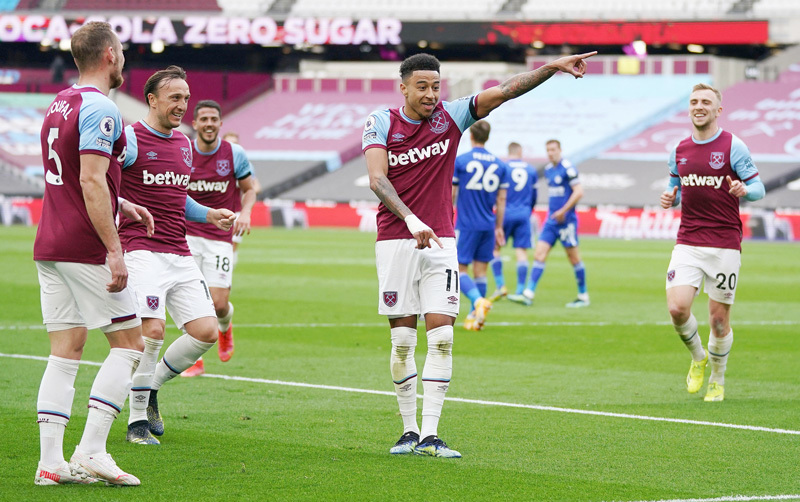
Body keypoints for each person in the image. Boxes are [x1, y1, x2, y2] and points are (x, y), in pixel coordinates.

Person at [363, 51, 595, 458]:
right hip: (395, 240)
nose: (431, 94)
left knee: (443, 337)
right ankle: (407, 431)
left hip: (441, 241)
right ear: (403, 87)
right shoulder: (381, 122)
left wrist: (552, 68)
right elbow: (377, 178)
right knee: (402, 342)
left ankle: (431, 435)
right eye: (422, 86)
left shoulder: (451, 117)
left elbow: (506, 91)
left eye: (436, 86)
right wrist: (411, 218)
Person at [33, 21, 151, 486]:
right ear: (108, 54)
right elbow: (87, 179)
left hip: (50, 243)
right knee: (130, 345)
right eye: (120, 51)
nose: (123, 59)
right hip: (85, 246)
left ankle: (50, 464)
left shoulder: (58, 102)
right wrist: (116, 250)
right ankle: (92, 450)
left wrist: (123, 201)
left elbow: (69, 177)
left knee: (66, 351)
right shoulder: (102, 107)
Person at [120, 66, 235, 444]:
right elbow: (102, 186)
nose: (182, 105)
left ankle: (149, 387)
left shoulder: (184, 143)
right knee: (152, 330)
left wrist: (208, 213)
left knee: (203, 331)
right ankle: (137, 421)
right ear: (151, 99)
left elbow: (176, 197)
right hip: (140, 248)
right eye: (175, 97)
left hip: (179, 250)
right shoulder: (130, 139)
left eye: (185, 98)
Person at [660, 83, 765, 402]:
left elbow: (758, 187)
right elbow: (673, 185)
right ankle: (698, 357)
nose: (699, 106)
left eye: (706, 101)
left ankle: (718, 378)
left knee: (719, 321)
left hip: (724, 243)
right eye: (694, 101)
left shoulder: (734, 146)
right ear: (689, 108)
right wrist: (669, 196)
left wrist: (745, 191)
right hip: (688, 240)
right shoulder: (678, 150)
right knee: (677, 309)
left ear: (718, 110)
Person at [180, 102, 257, 378]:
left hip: (220, 236)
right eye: (204, 119)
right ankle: (194, 358)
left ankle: (225, 328)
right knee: (189, 298)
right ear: (196, 123)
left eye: (214, 118)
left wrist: (245, 212)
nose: (209, 123)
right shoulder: (184, 150)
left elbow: (249, 189)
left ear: (220, 124)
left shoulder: (234, 154)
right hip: (187, 234)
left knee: (219, 303)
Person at [516, 139, 589, 308]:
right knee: (539, 254)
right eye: (548, 150)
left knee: (574, 258)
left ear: (560, 150)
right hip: (552, 220)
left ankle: (583, 295)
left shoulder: (568, 168)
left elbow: (579, 192)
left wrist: (563, 211)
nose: (550, 153)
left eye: (553, 149)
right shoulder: (549, 170)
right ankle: (529, 293)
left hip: (567, 221)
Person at [452, 120, 508, 331]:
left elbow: (452, 193)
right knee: (481, 272)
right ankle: (476, 318)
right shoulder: (500, 165)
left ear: (471, 136)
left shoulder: (462, 161)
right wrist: (499, 227)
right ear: (487, 137)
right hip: (488, 223)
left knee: (459, 270)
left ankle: (477, 302)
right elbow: (502, 200)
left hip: (467, 223)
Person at [490, 142, 538, 304]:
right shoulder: (531, 170)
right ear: (520, 151)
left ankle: (500, 286)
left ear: (509, 151)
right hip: (524, 214)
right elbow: (534, 196)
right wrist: (528, 210)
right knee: (521, 251)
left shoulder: (503, 168)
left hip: (505, 214)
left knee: (496, 248)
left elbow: (497, 192)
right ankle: (519, 290)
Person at [220, 130, 262, 270]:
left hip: (235, 210)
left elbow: (255, 186)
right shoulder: (216, 161)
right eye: (229, 143)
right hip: (215, 211)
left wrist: (247, 192)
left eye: (235, 143)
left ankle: (225, 279)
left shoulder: (244, 163)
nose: (232, 146)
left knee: (232, 245)